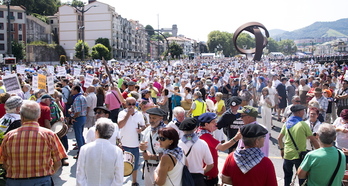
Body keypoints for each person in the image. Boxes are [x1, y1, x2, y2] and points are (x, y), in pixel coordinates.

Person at [0, 100, 67, 185]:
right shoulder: (49, 135)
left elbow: (3, 162)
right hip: (42, 180)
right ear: (38, 115)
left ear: (21, 116)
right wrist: (47, 174)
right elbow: (58, 162)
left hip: (15, 181)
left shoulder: (9, 136)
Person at [277, 104, 320, 186]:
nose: (304, 112)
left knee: (287, 176)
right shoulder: (303, 124)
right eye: (303, 111)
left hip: (287, 154)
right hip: (299, 155)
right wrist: (319, 151)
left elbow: (279, 138)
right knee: (302, 177)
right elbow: (313, 140)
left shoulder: (286, 124)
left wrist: (282, 150)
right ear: (300, 112)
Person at [197, 113, 241, 186]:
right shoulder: (205, 136)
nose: (216, 123)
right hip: (208, 176)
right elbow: (222, 147)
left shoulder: (200, 131)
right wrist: (236, 138)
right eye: (213, 122)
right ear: (206, 124)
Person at [76, 118, 123, 186]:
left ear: (96, 131)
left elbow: (80, 173)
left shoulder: (84, 149)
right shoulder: (117, 151)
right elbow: (119, 178)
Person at [118, 97, 146, 186]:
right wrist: (128, 115)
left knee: (135, 164)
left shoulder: (139, 114)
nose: (131, 106)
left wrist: (141, 129)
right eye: (129, 104)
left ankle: (134, 181)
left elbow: (143, 125)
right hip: (123, 143)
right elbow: (120, 125)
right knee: (120, 164)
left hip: (135, 144)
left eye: (133, 104)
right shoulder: (122, 113)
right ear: (125, 104)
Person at [178, 117, 214, 186]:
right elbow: (210, 164)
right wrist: (202, 171)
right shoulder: (202, 143)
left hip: (182, 177)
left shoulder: (177, 144)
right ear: (195, 129)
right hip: (197, 178)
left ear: (182, 130)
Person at [139, 107, 167, 186]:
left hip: (161, 168)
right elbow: (142, 146)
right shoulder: (147, 130)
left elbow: (169, 152)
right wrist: (141, 148)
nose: (151, 120)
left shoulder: (166, 131)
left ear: (161, 118)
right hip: (148, 167)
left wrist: (151, 157)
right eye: (150, 117)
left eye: (154, 118)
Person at [70, 85, 88, 159]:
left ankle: (80, 152)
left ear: (76, 90)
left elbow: (78, 111)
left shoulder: (77, 99)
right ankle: (84, 149)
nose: (71, 91)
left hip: (79, 118)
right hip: (83, 117)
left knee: (78, 136)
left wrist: (73, 117)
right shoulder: (83, 97)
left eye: (72, 89)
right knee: (80, 134)